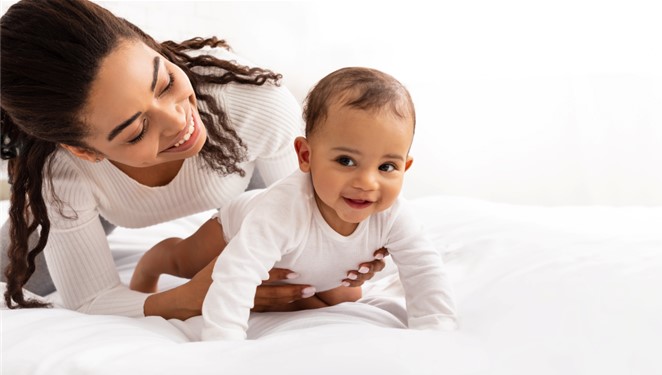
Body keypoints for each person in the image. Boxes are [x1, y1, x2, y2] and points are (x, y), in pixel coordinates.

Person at [0, 0, 386, 319]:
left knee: (322, 284)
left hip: (238, 170)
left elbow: (319, 235)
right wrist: (188, 298)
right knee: (11, 272)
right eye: (137, 131)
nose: (178, 121)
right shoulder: (63, 175)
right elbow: (91, 300)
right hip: (98, 194)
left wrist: (346, 257)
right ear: (84, 150)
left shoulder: (245, 100)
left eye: (165, 81)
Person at [130, 67, 459, 340]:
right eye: (346, 160)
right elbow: (237, 272)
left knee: (345, 296)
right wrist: (223, 337)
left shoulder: (393, 212)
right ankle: (153, 261)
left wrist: (436, 327)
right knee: (186, 262)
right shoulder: (282, 209)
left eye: (387, 167)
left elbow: (423, 268)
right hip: (238, 226)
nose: (367, 182)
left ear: (405, 167)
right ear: (306, 156)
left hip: (307, 262)